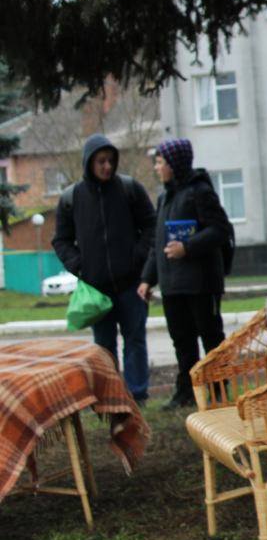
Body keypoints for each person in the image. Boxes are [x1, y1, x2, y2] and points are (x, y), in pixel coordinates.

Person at [53, 133, 156, 402]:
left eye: (110, 160)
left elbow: (151, 226)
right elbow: (61, 240)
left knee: (135, 340)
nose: (107, 166)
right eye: (101, 161)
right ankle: (111, 397)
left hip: (131, 284)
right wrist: (80, 267)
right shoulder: (72, 198)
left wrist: (138, 257)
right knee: (104, 347)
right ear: (89, 162)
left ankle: (137, 396)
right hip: (96, 291)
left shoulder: (129, 189)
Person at [137, 138, 232, 409]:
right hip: (173, 284)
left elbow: (220, 230)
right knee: (182, 340)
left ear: (174, 164)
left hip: (201, 283)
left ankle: (218, 390)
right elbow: (158, 243)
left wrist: (187, 248)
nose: (157, 168)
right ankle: (186, 392)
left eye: (160, 162)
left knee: (210, 337)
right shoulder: (165, 197)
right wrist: (147, 279)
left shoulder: (200, 192)